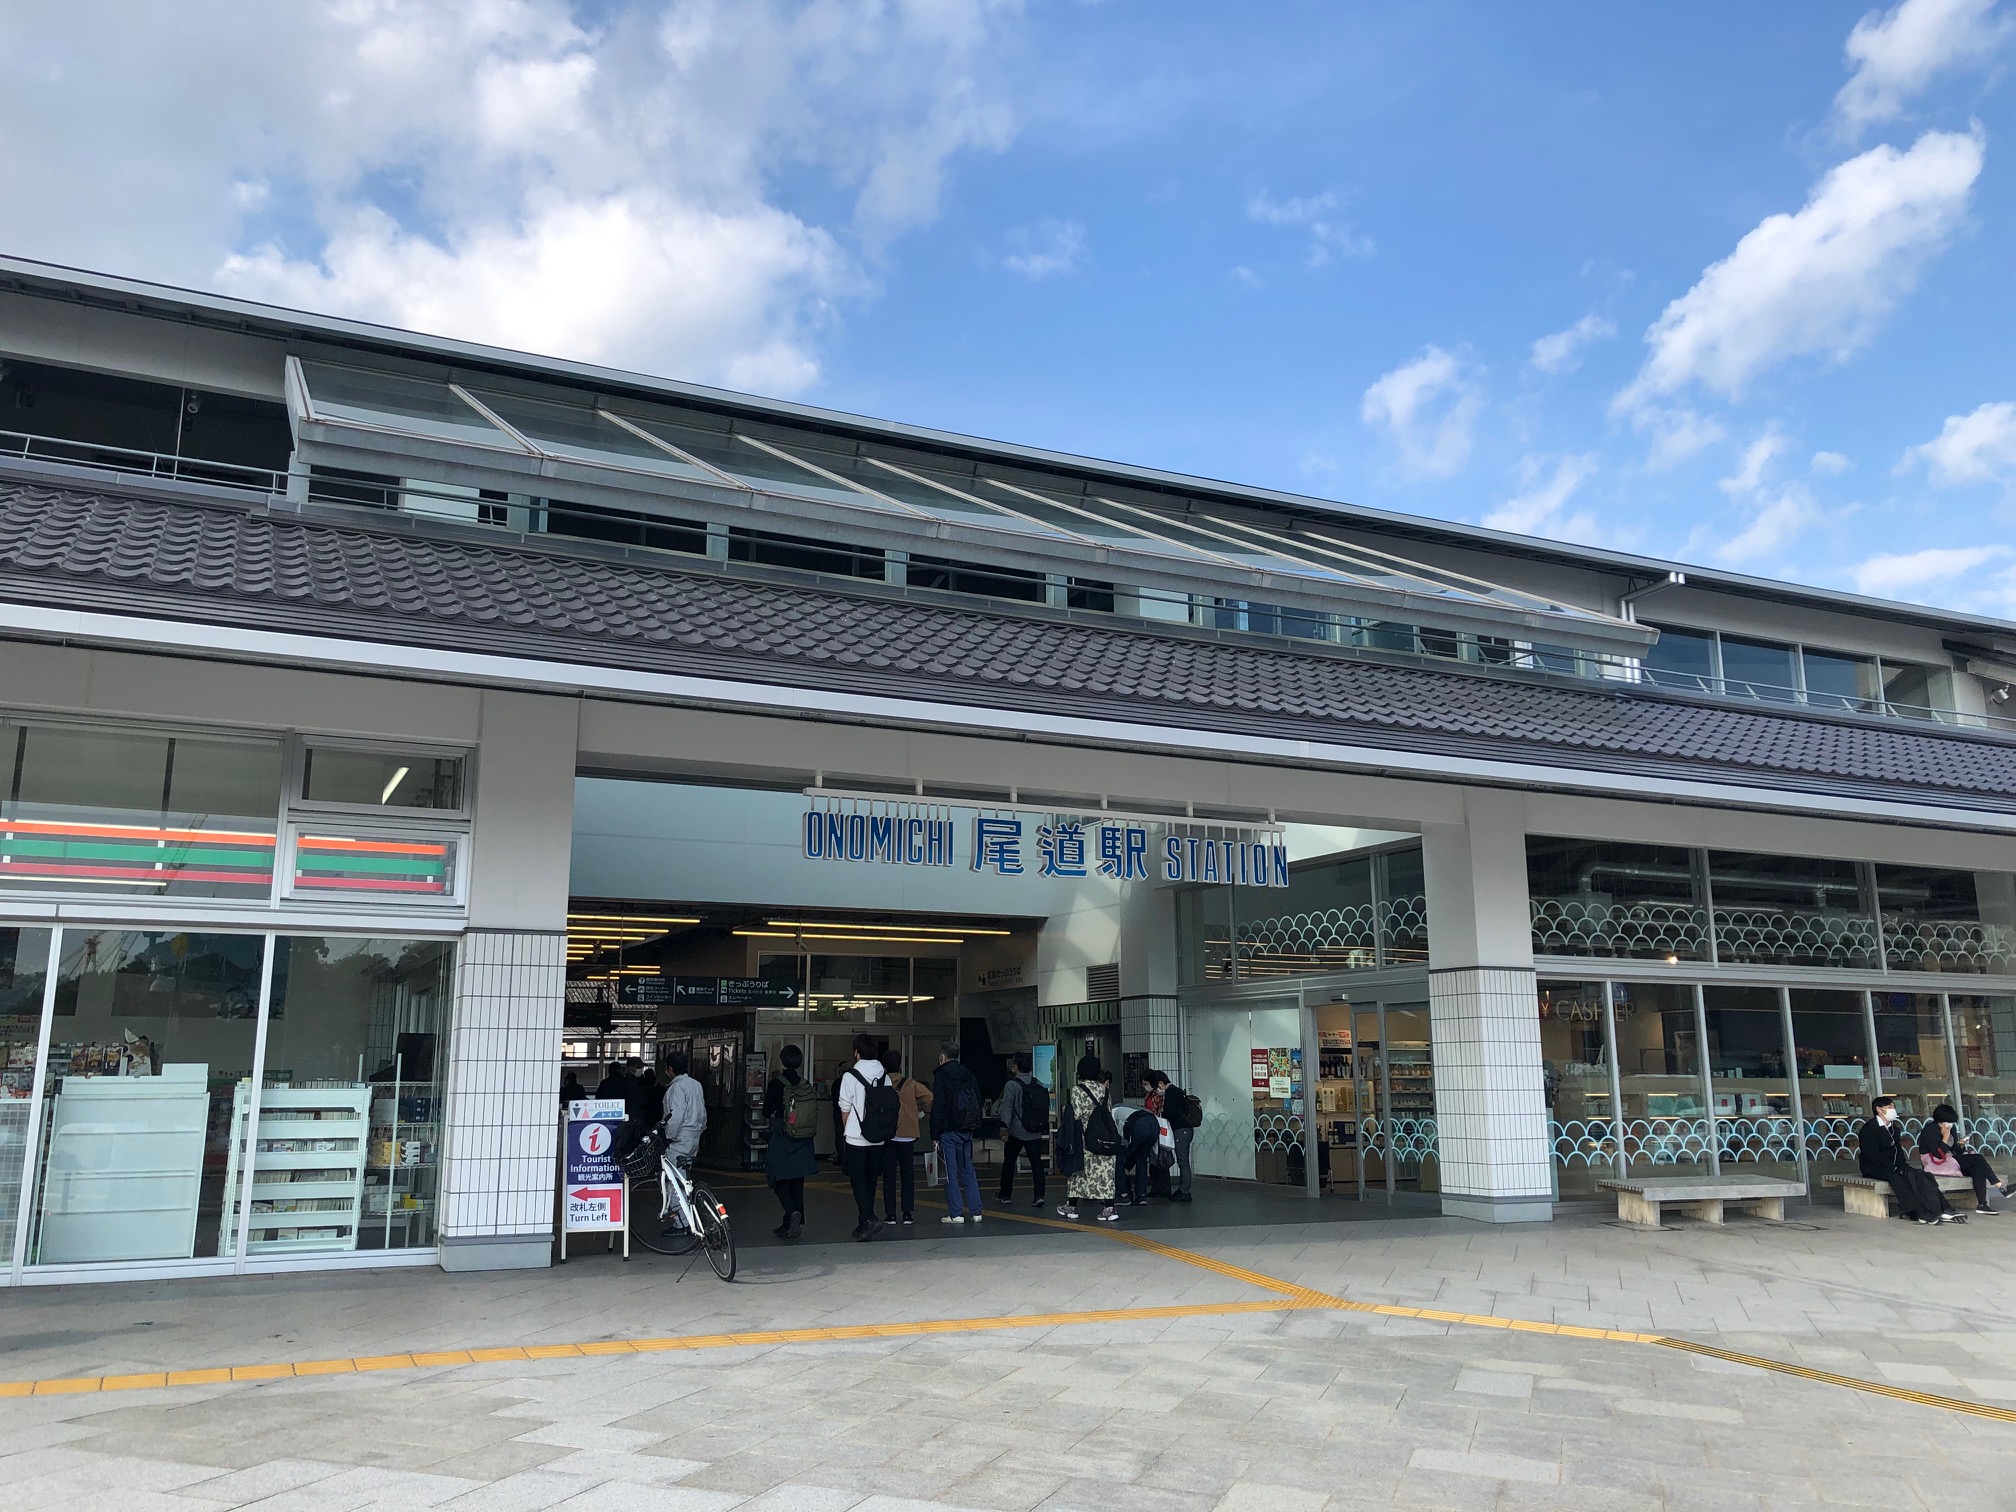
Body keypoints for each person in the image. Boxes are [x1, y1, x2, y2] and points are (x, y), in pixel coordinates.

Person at [1858, 1096, 1959, 1224]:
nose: (1893, 1109)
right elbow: (1871, 1154)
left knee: (1921, 1175)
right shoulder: (1869, 1129)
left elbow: (1898, 1151)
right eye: (1889, 1107)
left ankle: (1943, 1207)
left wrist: (1902, 1166)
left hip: (1895, 1165)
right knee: (1898, 1179)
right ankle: (1916, 1212)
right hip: (1874, 1167)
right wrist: (1894, 1168)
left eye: (1893, 1106)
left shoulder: (1894, 1129)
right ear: (1879, 1109)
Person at [835, 1032, 890, 1241]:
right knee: (870, 1181)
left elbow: (844, 1108)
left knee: (858, 1181)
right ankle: (863, 1223)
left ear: (856, 1053)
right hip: (879, 1136)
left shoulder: (850, 1076)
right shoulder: (884, 1075)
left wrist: (847, 1130)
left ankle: (869, 1218)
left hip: (856, 1137)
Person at [764, 1044, 820, 1239]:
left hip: (783, 1136)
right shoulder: (805, 1084)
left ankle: (791, 1211)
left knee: (778, 1176)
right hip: (803, 1138)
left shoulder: (776, 1083)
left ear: (782, 1060)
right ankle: (791, 1222)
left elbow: (766, 1111)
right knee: (797, 1180)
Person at [1918, 1103, 2014, 1213]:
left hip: (1950, 1161)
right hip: (1935, 1164)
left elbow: (1955, 1151)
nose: (1950, 1125)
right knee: (1978, 1158)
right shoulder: (1930, 1130)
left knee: (1978, 1169)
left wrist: (1961, 1145)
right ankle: (2002, 1187)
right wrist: (1945, 1137)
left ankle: (1982, 1204)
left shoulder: (1951, 1129)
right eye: (1948, 1122)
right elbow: (1938, 1154)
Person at [1058, 1055, 1120, 1222]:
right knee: (1105, 1173)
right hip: (1104, 1138)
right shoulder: (1104, 1089)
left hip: (1084, 1139)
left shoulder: (1078, 1090)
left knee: (1078, 1172)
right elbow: (1108, 1111)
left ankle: (1072, 1207)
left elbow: (1076, 1115)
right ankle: (1109, 1208)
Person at [931, 1040, 986, 1224]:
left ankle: (956, 1213)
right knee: (968, 1170)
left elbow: (938, 1106)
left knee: (950, 1172)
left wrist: (934, 1133)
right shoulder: (968, 1073)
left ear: (942, 1056)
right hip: (966, 1130)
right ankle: (976, 1212)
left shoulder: (941, 1076)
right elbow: (978, 1099)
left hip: (948, 1131)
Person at [881, 1048, 934, 1226]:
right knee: (907, 1175)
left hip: (888, 1134)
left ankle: (890, 1214)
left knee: (889, 1176)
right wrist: (920, 1113)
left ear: (884, 1066)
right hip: (908, 1135)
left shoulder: (881, 1083)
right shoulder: (911, 1083)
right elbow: (929, 1097)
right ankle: (907, 1214)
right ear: (900, 1065)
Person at [658, 1051, 707, 1236]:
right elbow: (702, 1112)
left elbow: (675, 1116)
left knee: (673, 1182)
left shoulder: (676, 1089)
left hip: (680, 1139)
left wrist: (669, 1137)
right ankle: (690, 1217)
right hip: (694, 1137)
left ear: (670, 1069)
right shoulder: (696, 1085)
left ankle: (682, 1224)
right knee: (683, 1179)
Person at [997, 1053, 1049, 1208]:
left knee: (1009, 1162)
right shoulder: (1037, 1083)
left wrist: (1004, 1127)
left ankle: (1005, 1194)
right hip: (1035, 1130)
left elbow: (1007, 1108)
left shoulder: (1012, 1085)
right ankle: (1039, 1195)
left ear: (1016, 1067)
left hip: (1016, 1131)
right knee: (1037, 1164)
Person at [1155, 1071, 1199, 1203]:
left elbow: (1170, 1112)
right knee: (1182, 1161)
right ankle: (1183, 1190)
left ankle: (1184, 1191)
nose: (1157, 1091)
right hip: (1184, 1130)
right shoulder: (1176, 1091)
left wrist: (1162, 1113)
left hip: (1181, 1131)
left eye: (1157, 1087)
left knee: (1183, 1161)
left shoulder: (1171, 1092)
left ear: (1161, 1083)